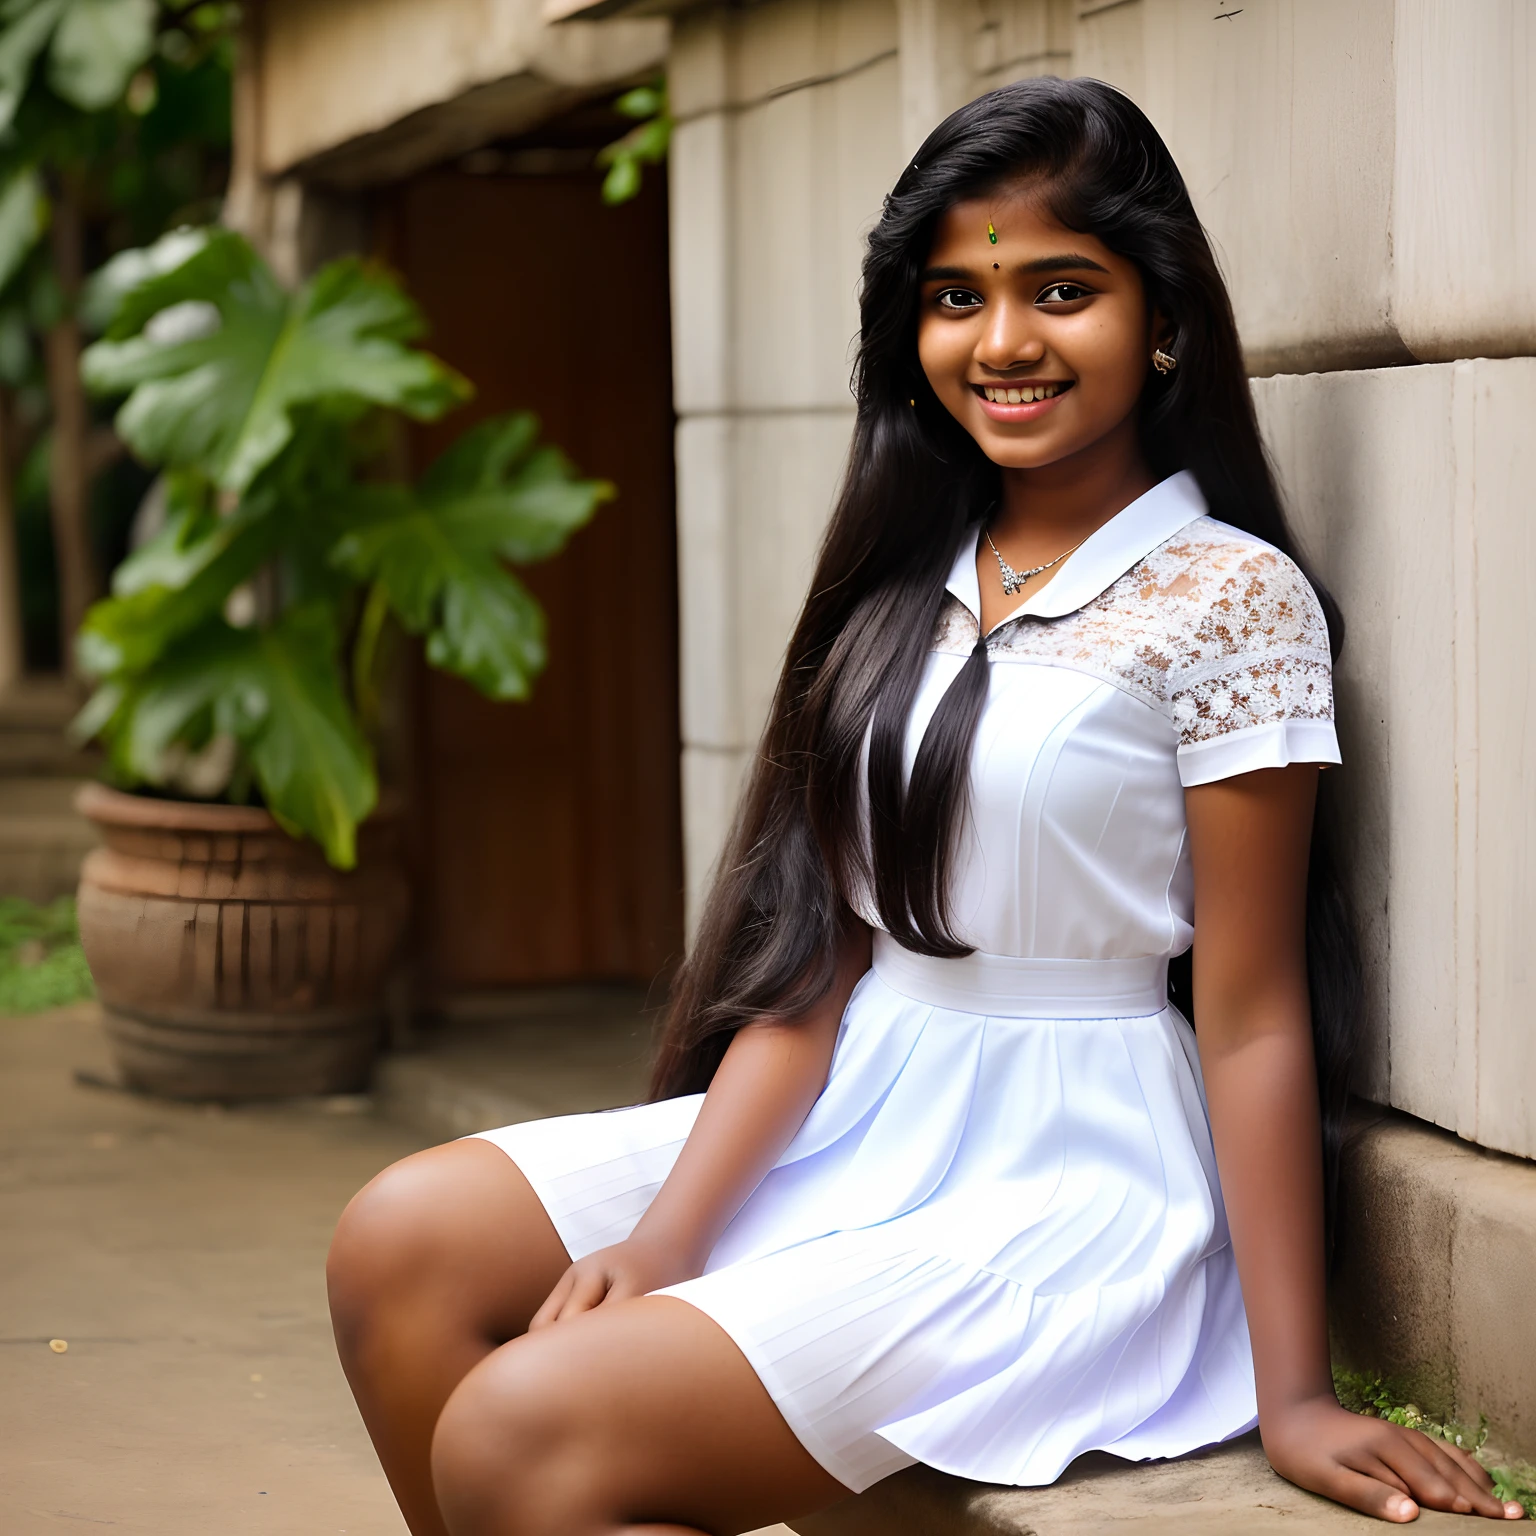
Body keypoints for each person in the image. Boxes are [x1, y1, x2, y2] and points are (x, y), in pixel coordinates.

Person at [325, 77, 1525, 1534]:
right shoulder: (903, 581)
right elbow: (822, 966)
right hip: (858, 1102)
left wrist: (1298, 1391)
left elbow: (1254, 1006)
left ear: (1164, 324)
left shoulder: (1229, 599)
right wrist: (669, 1237)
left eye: (1061, 290)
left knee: (521, 1435)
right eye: (956, 295)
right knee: (396, 1244)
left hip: (1076, 1180)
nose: (1003, 341)